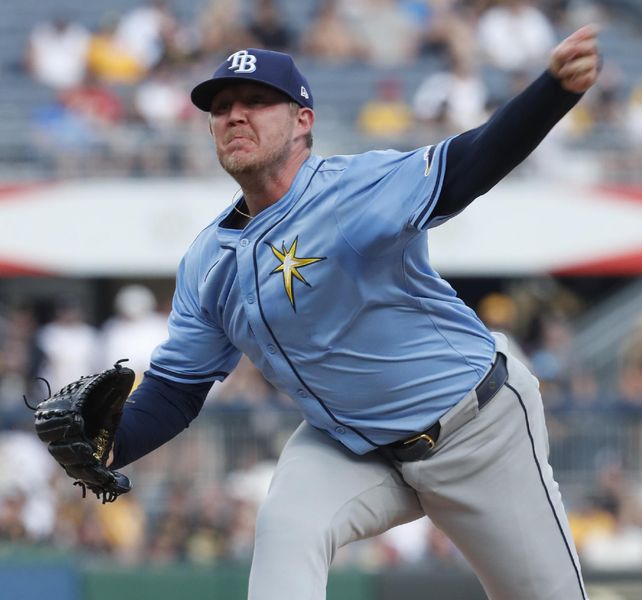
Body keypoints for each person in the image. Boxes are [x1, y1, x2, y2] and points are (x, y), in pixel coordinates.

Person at [108, 25, 601, 600]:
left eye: (256, 101)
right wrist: (109, 442)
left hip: (477, 430)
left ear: (302, 121)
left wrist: (553, 92)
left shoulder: (352, 190)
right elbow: (175, 388)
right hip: (352, 446)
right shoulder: (204, 262)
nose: (234, 116)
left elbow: (470, 162)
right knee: (288, 524)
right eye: (220, 107)